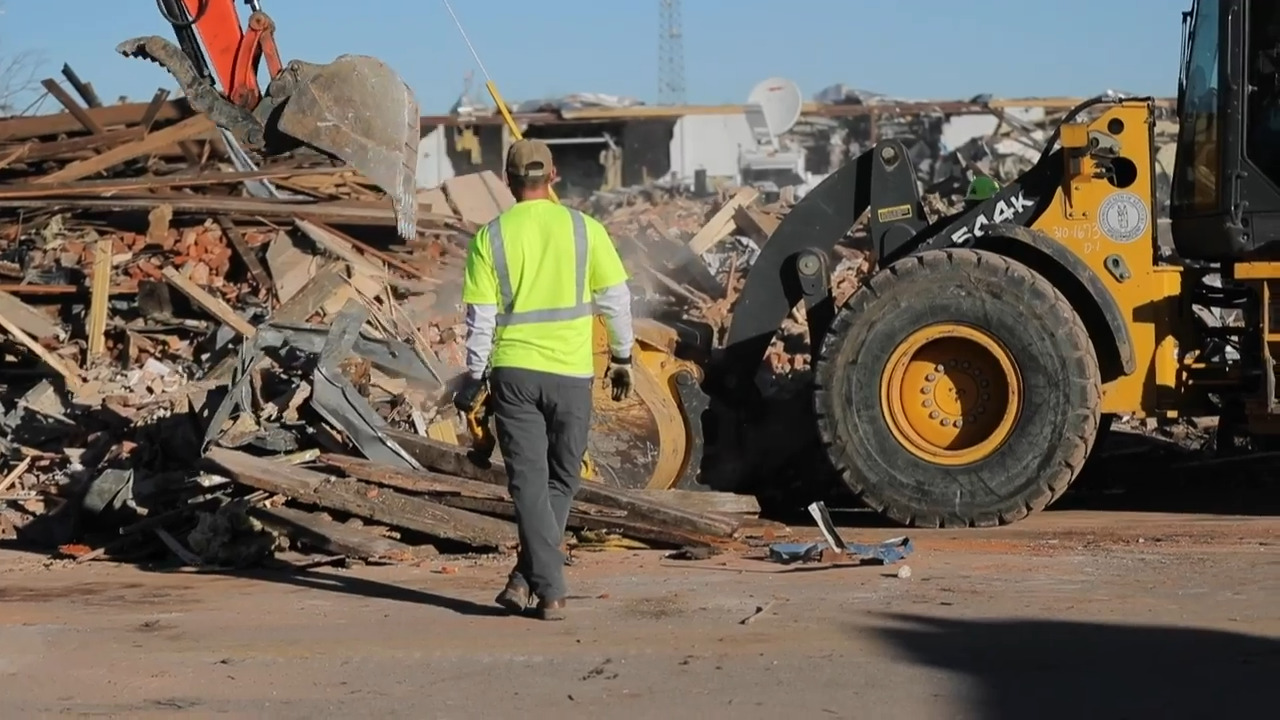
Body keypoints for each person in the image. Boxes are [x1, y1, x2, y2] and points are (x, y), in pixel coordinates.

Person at [455, 138, 635, 621]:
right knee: (563, 479)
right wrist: (622, 356)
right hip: (572, 374)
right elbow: (616, 299)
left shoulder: (489, 237)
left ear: (506, 181)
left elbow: (480, 319)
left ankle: (524, 579)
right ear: (553, 177)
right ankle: (551, 590)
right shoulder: (585, 229)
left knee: (530, 484)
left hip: (514, 375)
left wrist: (475, 377)